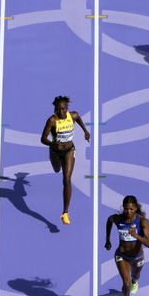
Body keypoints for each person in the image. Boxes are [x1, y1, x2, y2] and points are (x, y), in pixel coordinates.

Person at [40, 95, 91, 225]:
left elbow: (79, 119)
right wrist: (52, 144)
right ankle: (56, 161)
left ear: (67, 108)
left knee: (66, 179)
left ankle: (65, 213)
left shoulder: (73, 115)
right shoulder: (52, 120)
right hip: (55, 152)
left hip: (69, 150)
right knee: (57, 169)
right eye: (58, 110)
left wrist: (85, 131)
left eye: (63, 109)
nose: (61, 112)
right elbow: (43, 139)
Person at [105, 196, 149, 296]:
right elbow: (109, 221)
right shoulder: (118, 219)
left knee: (135, 277)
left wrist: (136, 235)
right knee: (126, 284)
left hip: (137, 257)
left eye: (131, 209)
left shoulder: (142, 222)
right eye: (126, 209)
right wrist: (108, 240)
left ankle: (135, 281)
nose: (128, 212)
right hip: (122, 255)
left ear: (136, 208)